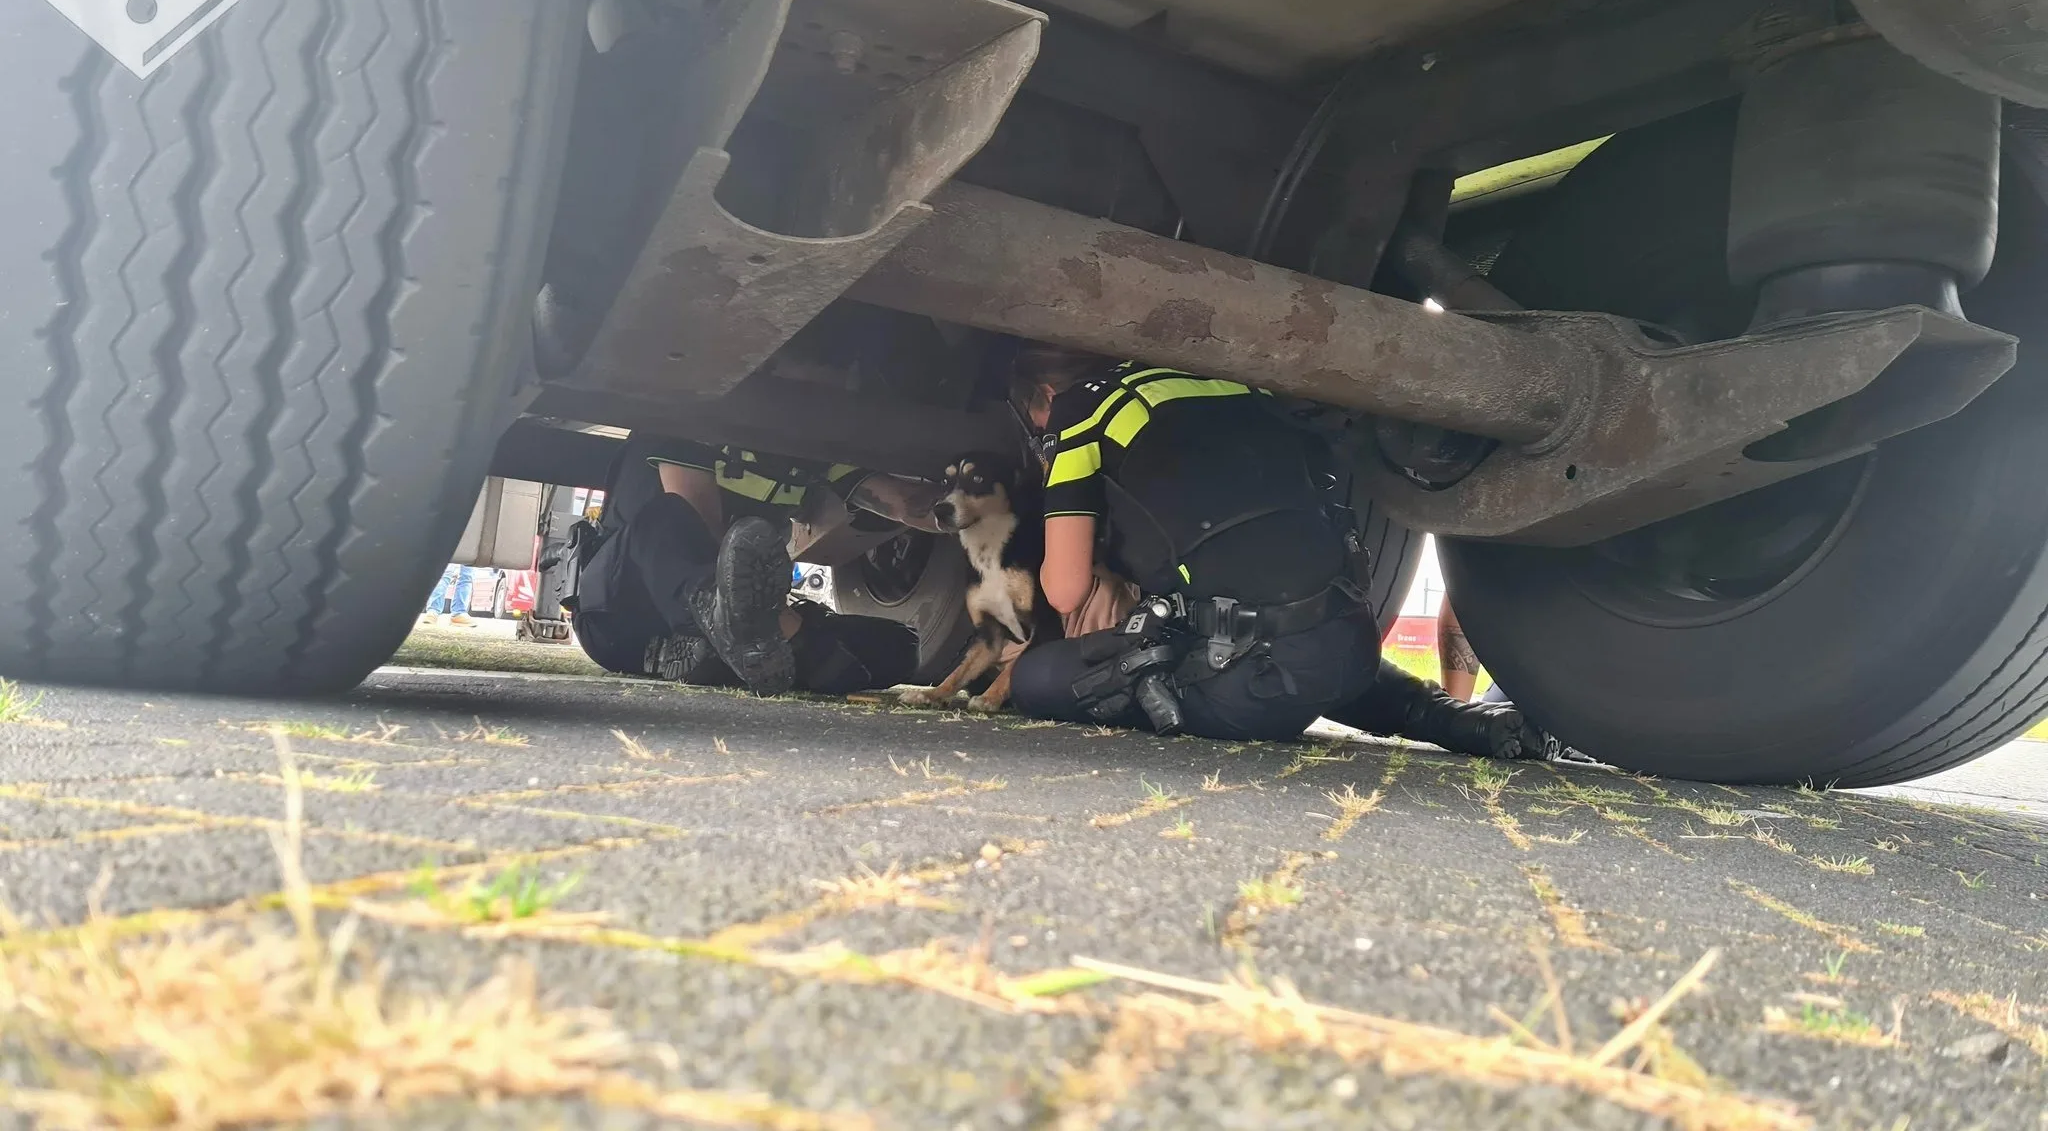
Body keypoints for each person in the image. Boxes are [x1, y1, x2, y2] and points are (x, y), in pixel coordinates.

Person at [1005, 346, 1563, 760]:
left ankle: (1238, 696)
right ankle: (1452, 718)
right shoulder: (1229, 380)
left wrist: (1097, 566)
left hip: (1246, 693)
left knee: (1035, 678)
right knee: (1295, 648)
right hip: (1348, 647)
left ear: (1044, 395)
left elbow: (1066, 591)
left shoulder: (1080, 409)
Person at [567, 433, 929, 697]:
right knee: (668, 515)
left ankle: (745, 654)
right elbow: (704, 538)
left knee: (900, 647)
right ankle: (785, 644)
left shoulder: (812, 439)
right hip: (623, 615)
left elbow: (907, 503)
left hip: (743, 638)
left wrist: (958, 505)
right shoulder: (683, 413)